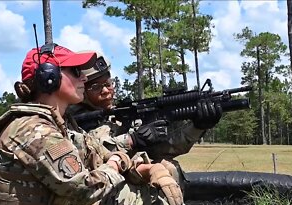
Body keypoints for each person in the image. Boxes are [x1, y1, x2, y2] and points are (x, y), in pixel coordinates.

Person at [0, 43, 183, 205]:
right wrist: (116, 164)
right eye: (75, 71)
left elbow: (101, 153)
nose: (83, 77)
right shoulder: (34, 130)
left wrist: (148, 168)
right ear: (49, 78)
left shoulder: (58, 125)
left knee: (133, 188)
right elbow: (85, 190)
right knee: (130, 195)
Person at [65, 52, 223, 186]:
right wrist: (132, 139)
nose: (106, 91)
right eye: (96, 87)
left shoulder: (117, 115)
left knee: (167, 166)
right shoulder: (74, 120)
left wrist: (198, 127)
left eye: (108, 83)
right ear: (82, 90)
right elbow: (93, 153)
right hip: (101, 183)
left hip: (126, 175)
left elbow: (165, 149)